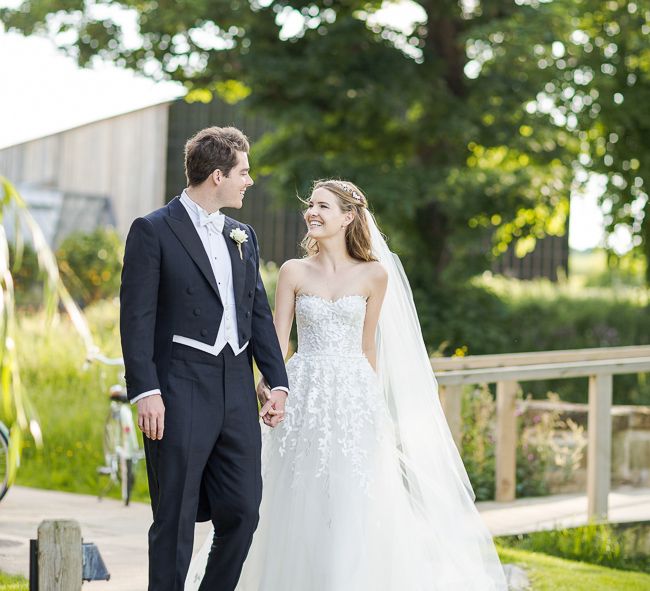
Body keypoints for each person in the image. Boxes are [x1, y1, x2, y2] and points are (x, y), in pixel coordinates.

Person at [186, 179, 508, 590]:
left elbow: (368, 347)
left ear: (349, 216)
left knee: (353, 499)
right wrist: (269, 387)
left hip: (354, 397)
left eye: (323, 206)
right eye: (310, 205)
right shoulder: (293, 271)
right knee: (293, 495)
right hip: (303, 391)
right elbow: (277, 342)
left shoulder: (375, 274)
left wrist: (373, 407)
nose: (312, 213)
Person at [120, 126, 289, 591]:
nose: (248, 181)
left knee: (243, 510)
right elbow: (135, 318)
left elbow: (257, 311)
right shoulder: (153, 230)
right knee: (174, 517)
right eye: (243, 172)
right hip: (179, 387)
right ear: (217, 175)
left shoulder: (242, 235)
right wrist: (146, 392)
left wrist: (277, 382)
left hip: (235, 385)